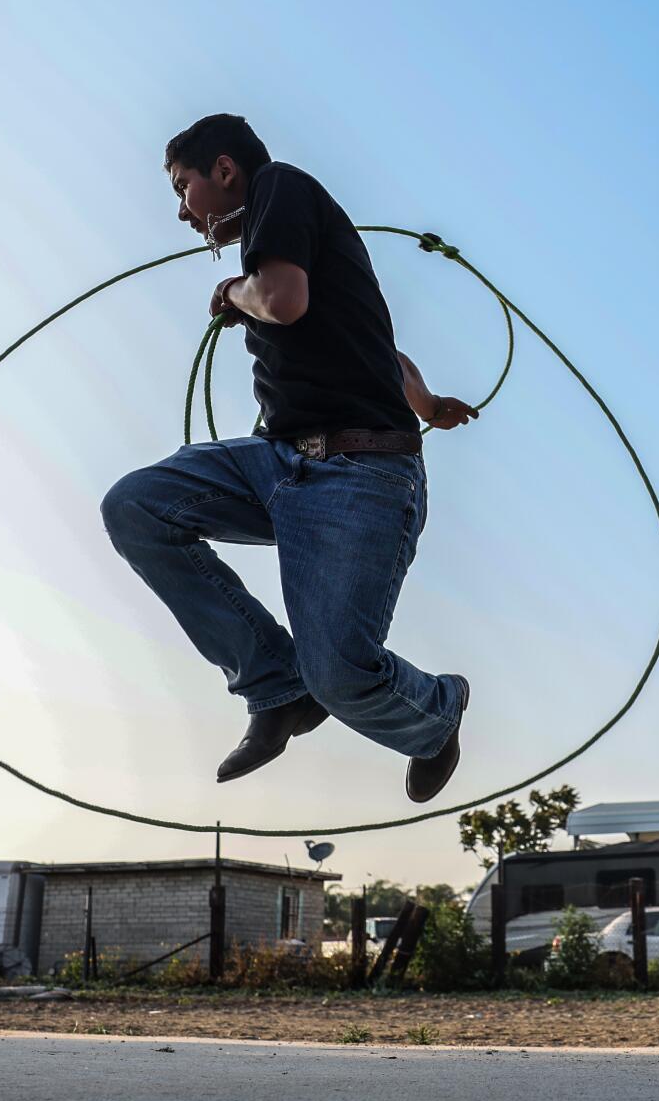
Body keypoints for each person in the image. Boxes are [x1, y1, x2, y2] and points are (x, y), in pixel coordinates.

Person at [101, 113, 475, 802]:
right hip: (281, 465)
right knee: (136, 504)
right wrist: (427, 404)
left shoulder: (280, 186)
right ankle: (276, 685)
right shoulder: (289, 240)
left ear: (223, 170)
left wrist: (233, 294)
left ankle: (433, 714)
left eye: (184, 188)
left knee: (341, 673)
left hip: (360, 475)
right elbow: (377, 348)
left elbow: (283, 300)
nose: (183, 211)